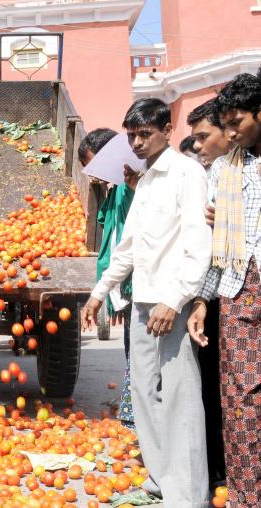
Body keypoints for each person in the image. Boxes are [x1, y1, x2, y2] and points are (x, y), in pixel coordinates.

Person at [81, 98, 212, 507]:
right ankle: (160, 478)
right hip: (142, 303)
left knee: (179, 396)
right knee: (142, 392)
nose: (137, 143)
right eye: (132, 135)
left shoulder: (187, 174)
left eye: (144, 134)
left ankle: (189, 496)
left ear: (166, 129)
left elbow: (197, 243)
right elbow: (128, 247)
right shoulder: (147, 179)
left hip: (170, 304)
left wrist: (175, 300)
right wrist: (98, 293)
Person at [188, 73, 261, 508]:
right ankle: (247, 498)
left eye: (238, 123)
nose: (231, 133)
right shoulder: (224, 170)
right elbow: (217, 248)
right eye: (227, 124)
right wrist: (202, 299)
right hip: (238, 289)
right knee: (240, 399)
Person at [186, 97, 234, 489]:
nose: (198, 146)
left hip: (234, 294)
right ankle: (219, 469)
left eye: (204, 137)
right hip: (218, 295)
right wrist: (202, 299)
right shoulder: (215, 173)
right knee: (217, 387)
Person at [78, 128, 136, 429]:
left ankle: (139, 424)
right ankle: (135, 421)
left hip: (137, 284)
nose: (92, 175)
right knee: (134, 354)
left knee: (139, 357)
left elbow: (125, 244)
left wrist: (106, 292)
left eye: (93, 165)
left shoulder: (128, 189)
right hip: (126, 284)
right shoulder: (117, 189)